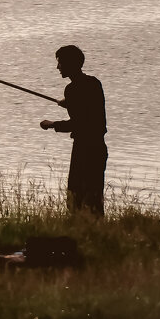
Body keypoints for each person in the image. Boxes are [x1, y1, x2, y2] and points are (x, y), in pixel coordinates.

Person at [40, 45, 108, 216]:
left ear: (70, 64)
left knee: (75, 199)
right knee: (94, 197)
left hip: (84, 149)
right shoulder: (93, 83)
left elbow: (77, 124)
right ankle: (97, 232)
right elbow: (89, 112)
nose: (58, 67)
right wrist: (70, 102)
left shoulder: (72, 90)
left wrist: (51, 124)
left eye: (60, 63)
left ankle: (78, 232)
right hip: (99, 147)